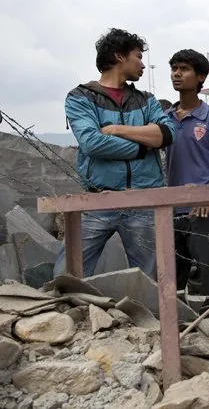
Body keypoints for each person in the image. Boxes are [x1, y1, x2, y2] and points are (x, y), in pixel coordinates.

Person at [54, 28, 175, 279]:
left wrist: (119, 130)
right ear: (120, 56)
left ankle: (147, 319)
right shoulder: (80, 97)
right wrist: (143, 146)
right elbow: (92, 143)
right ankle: (66, 318)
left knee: (151, 280)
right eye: (138, 56)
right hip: (99, 199)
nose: (143, 64)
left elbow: (167, 134)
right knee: (66, 274)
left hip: (143, 199)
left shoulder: (147, 100)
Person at [165, 49, 209, 312]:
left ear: (201, 76)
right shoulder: (165, 119)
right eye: (174, 68)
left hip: (204, 209)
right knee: (172, 273)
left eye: (184, 69)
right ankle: (176, 323)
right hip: (171, 207)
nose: (177, 74)